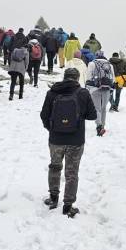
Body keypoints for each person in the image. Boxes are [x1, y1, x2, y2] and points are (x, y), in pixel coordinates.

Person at [39, 67, 97, 217]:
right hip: (76, 140)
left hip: (56, 139)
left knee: (55, 167)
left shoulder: (52, 92)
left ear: (64, 77)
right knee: (72, 172)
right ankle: (68, 206)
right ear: (77, 78)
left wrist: (51, 128)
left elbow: (44, 115)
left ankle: (53, 198)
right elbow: (92, 115)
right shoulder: (83, 93)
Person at [86, 52, 115, 136]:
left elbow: (88, 76)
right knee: (103, 108)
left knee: (97, 108)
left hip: (95, 88)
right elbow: (112, 78)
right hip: (107, 88)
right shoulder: (109, 65)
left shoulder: (92, 63)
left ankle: (99, 126)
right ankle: (103, 125)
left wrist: (88, 86)